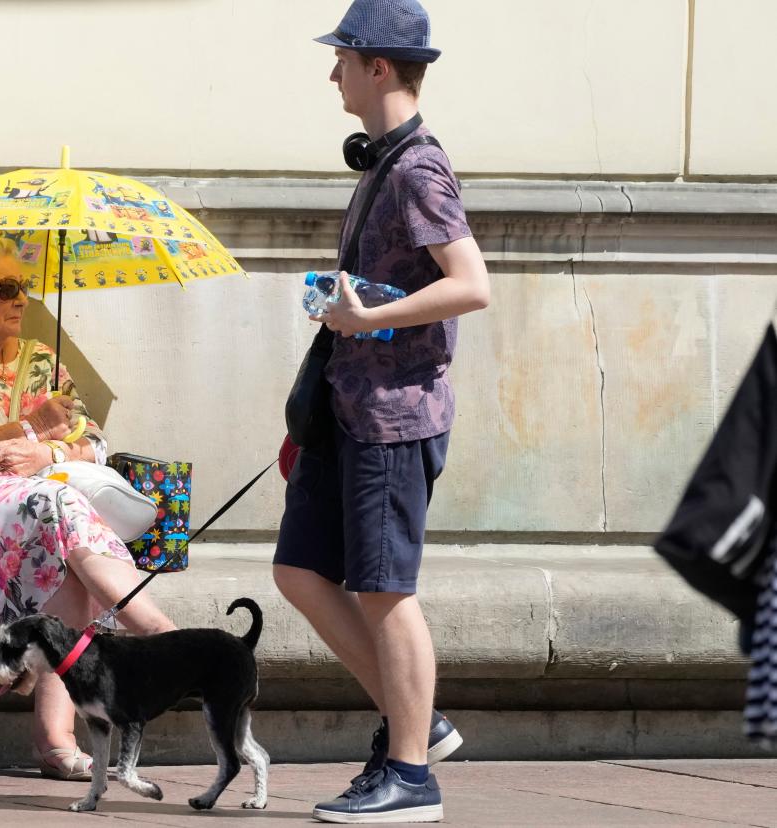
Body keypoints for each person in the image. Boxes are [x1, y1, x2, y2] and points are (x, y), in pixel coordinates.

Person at [272, 0, 491, 823]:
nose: (332, 72)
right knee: (297, 569)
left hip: (394, 417)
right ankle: (416, 721)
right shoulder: (380, 164)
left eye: (343, 58)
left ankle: (410, 777)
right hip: (348, 407)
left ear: (378, 68)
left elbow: (471, 284)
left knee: (384, 590)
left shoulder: (415, 169)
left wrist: (365, 318)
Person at [0, 233, 175, 780]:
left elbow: (95, 444)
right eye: (7, 288)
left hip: (39, 505)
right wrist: (28, 426)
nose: (22, 300)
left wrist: (46, 449)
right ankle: (156, 632)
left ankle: (56, 739)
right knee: (56, 505)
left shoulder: (43, 364)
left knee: (59, 540)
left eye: (25, 288)